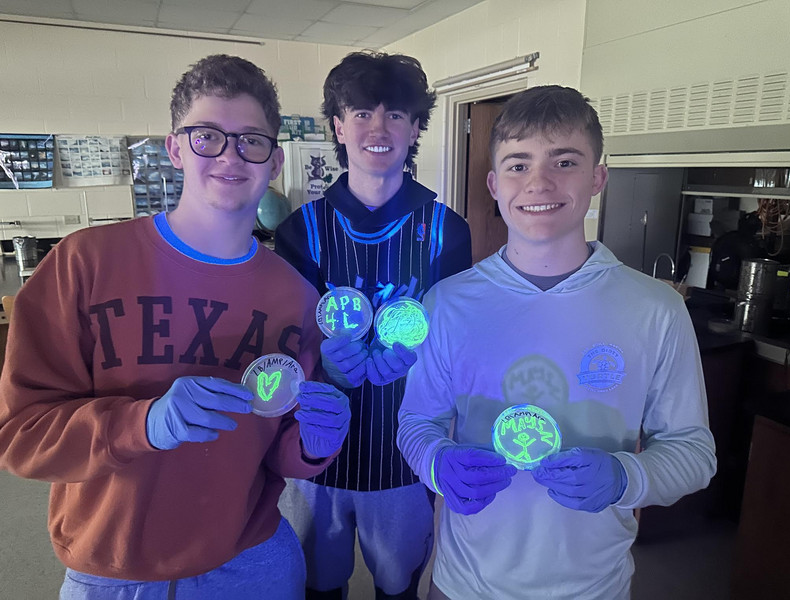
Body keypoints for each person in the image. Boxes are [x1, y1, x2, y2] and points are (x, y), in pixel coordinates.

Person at [0, 54, 352, 600]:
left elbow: (279, 447)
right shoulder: (83, 264)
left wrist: (315, 443)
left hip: (253, 561)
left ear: (275, 160)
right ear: (175, 149)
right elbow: (21, 437)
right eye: (207, 136)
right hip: (112, 568)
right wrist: (143, 424)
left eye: (251, 140)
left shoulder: (299, 298)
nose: (231, 155)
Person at [397, 85, 717, 600]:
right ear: (494, 184)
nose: (539, 182)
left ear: (598, 178)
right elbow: (416, 423)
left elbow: (694, 452)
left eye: (564, 162)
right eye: (518, 165)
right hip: (464, 583)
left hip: (595, 587)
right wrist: (437, 463)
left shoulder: (657, 309)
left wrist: (625, 477)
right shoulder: (448, 304)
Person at [274, 51, 472, 599]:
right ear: (339, 127)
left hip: (405, 457)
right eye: (361, 113)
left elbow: (456, 344)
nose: (378, 129)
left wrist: (418, 358)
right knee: (317, 589)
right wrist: (323, 365)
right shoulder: (301, 230)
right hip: (316, 456)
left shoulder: (447, 231)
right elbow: (282, 347)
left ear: (415, 129)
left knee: (398, 590)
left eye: (396, 115)